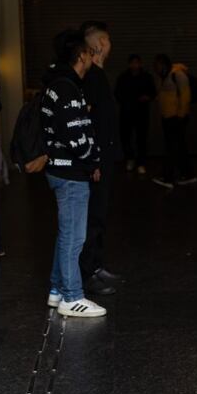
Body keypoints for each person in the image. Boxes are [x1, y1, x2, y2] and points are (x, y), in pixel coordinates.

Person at [41, 29, 107, 318]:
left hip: (61, 169)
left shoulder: (57, 83)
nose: (93, 58)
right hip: (70, 173)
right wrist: (93, 158)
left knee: (66, 233)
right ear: (82, 55)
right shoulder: (67, 88)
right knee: (74, 238)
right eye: (91, 53)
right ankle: (71, 297)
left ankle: (57, 290)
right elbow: (75, 134)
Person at [78, 21, 122, 295]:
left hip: (104, 154)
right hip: (96, 158)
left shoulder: (98, 74)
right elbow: (88, 119)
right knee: (93, 215)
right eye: (107, 40)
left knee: (100, 214)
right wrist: (93, 159)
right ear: (100, 44)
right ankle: (87, 272)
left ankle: (95, 265)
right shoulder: (91, 76)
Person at [152, 54, 196, 188]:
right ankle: (187, 174)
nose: (156, 67)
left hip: (176, 117)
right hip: (168, 116)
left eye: (158, 64)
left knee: (171, 148)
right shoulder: (163, 75)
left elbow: (185, 95)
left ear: (165, 64)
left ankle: (168, 177)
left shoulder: (178, 75)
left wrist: (180, 116)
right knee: (179, 146)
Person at [114, 54, 157, 174]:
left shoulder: (147, 77)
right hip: (126, 113)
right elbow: (117, 93)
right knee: (126, 138)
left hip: (142, 113)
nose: (135, 65)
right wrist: (126, 100)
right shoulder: (123, 77)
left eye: (137, 63)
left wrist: (147, 97)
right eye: (132, 63)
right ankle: (130, 159)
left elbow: (153, 92)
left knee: (141, 139)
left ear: (141, 63)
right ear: (129, 64)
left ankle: (141, 163)